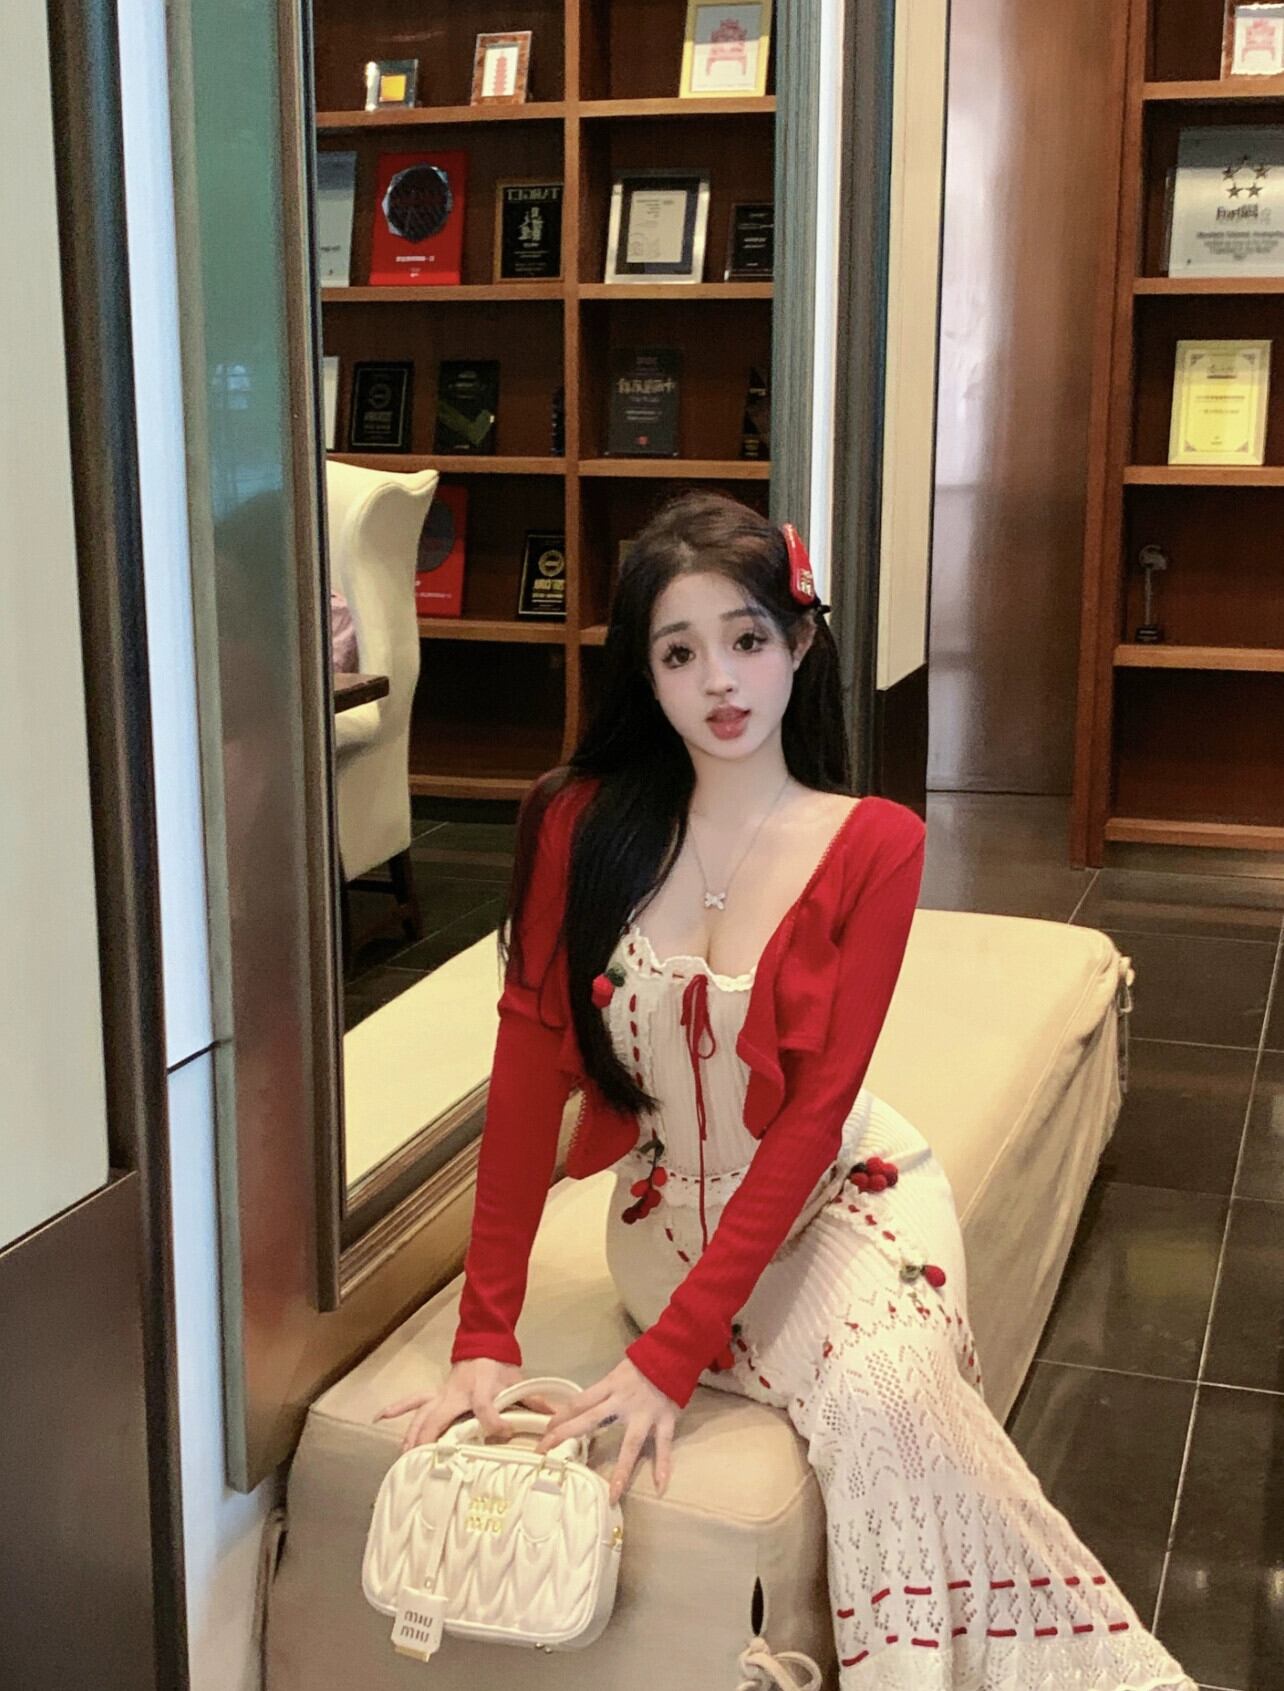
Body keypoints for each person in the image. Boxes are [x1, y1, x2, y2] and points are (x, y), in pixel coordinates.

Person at [377, 491, 1195, 1687]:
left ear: (800, 643)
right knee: (891, 1400)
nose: (720, 679)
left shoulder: (876, 843)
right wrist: (483, 1332)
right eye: (679, 651)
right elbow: (525, 1069)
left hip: (851, 1189)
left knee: (889, 1391)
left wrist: (670, 1359)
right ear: (645, 674)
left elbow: (815, 1117)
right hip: (666, 1221)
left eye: (748, 637)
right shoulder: (576, 823)